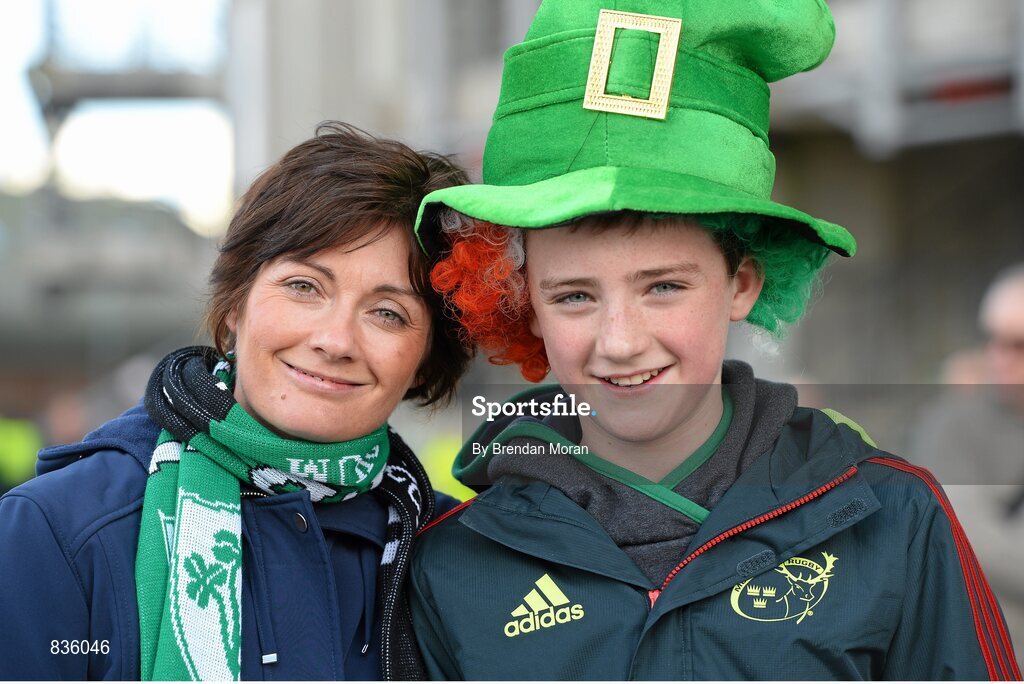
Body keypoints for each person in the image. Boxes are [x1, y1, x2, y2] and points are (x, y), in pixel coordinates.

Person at [406, 0, 1021, 679]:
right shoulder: (450, 565)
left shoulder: (892, 518)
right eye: (575, 296)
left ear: (742, 284)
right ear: (523, 306)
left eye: (663, 286)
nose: (620, 341)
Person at [0, 122, 473, 680]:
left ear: (425, 358)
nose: (336, 340)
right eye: (304, 287)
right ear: (235, 303)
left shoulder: (464, 559)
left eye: (388, 313)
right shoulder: (60, 533)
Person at [912, 263, 1024, 664]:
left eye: (1018, 345)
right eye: (992, 339)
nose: (999, 358)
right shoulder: (955, 422)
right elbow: (971, 539)